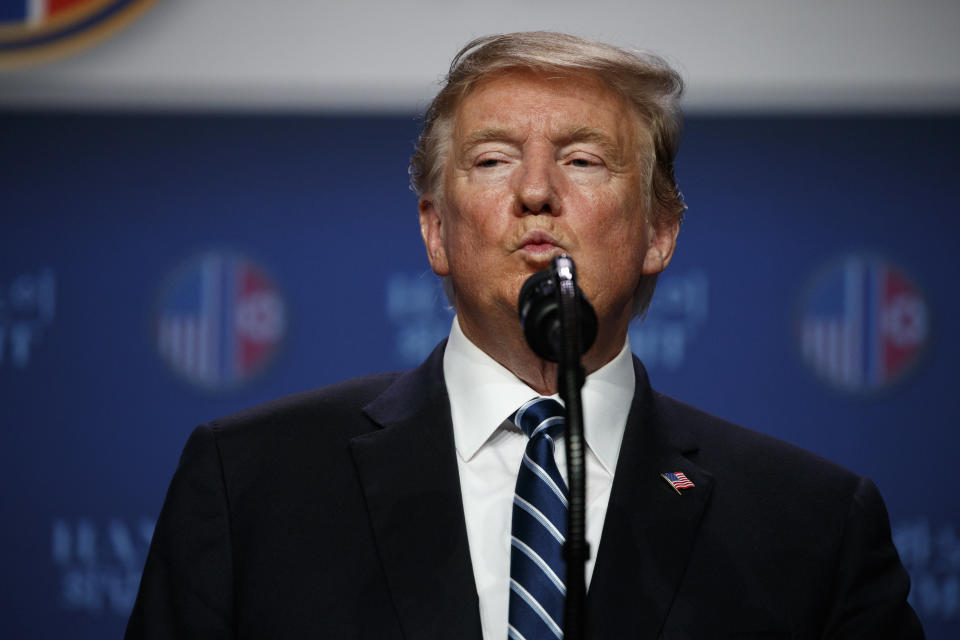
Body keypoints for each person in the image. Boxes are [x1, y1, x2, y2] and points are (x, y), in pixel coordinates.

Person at [125, 32, 924, 639]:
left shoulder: (810, 526)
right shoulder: (250, 486)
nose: (537, 192)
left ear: (659, 230)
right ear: (436, 231)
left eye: (582, 160)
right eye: (494, 159)